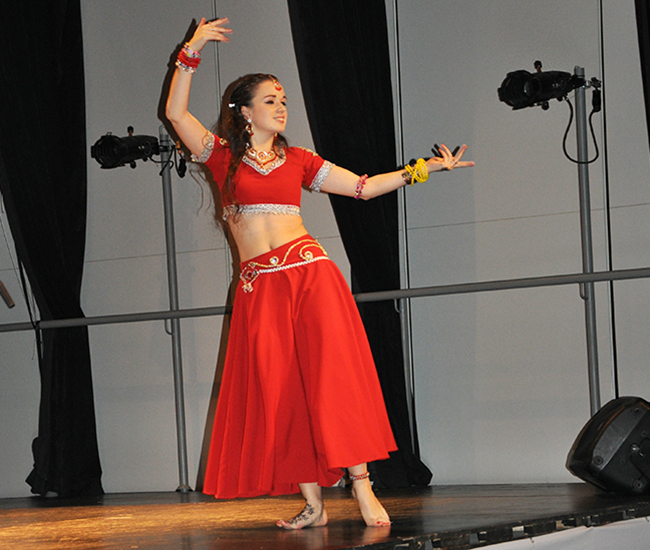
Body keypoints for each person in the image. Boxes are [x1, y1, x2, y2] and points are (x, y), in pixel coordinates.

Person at [166, 17, 474, 530]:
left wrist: (424, 169)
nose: (281, 106)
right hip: (259, 287)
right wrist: (190, 50)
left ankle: (362, 484)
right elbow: (175, 112)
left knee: (333, 381)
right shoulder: (220, 156)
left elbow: (362, 188)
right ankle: (313, 503)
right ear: (243, 112)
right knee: (281, 391)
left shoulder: (299, 160)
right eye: (270, 100)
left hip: (310, 276)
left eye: (284, 100)